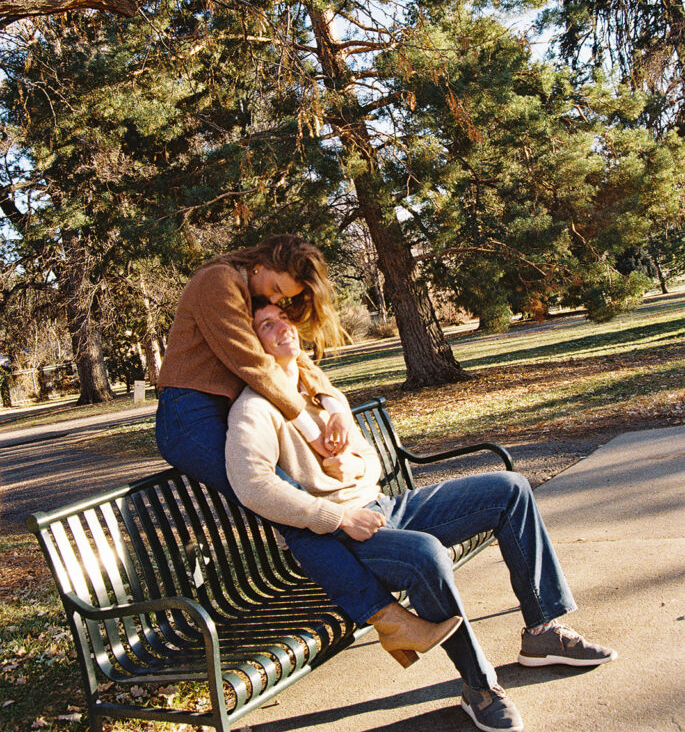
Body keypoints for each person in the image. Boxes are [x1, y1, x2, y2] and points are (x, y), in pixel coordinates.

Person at [225, 300, 618, 732]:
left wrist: (350, 453)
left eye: (283, 317)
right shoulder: (254, 408)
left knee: (511, 490)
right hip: (343, 534)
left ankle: (542, 631)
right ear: (250, 344)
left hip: (387, 506)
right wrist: (335, 517)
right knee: (425, 554)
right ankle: (479, 686)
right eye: (266, 324)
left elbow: (369, 460)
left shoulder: (314, 387)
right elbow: (252, 486)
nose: (283, 327)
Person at [156, 234, 457, 664]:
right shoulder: (218, 282)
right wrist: (310, 431)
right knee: (287, 510)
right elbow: (254, 366)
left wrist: (335, 408)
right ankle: (389, 621)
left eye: (286, 298)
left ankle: (390, 616)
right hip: (188, 419)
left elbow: (297, 363)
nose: (275, 298)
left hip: (216, 412)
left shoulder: (248, 294)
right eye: (276, 289)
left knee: (292, 509)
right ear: (262, 262)